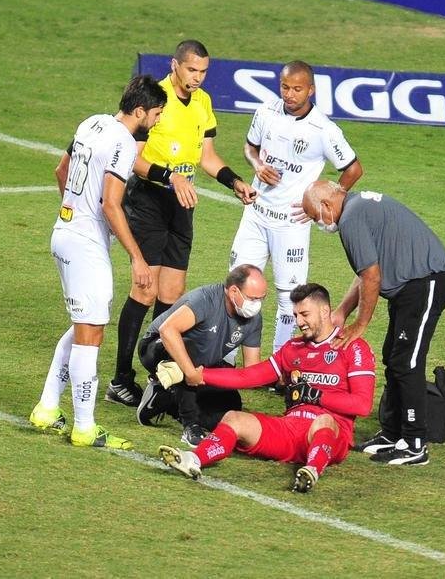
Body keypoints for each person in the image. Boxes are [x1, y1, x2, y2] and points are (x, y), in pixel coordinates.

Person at [106, 40, 257, 409]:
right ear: (175, 65)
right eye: (192, 70)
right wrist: (171, 176)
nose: (197, 78)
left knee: (172, 295)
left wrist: (234, 181)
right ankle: (121, 379)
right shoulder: (154, 101)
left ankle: (159, 373)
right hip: (149, 200)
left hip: (181, 205)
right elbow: (134, 159)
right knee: (144, 289)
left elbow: (206, 157)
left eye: (203, 72)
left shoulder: (203, 104)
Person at [29, 75, 168, 449]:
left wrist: (73, 212)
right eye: (155, 115)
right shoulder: (123, 142)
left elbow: (61, 171)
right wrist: (137, 258)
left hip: (64, 232)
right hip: (85, 245)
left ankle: (46, 407)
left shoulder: (91, 122)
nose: (156, 122)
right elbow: (110, 202)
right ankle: (85, 427)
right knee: (91, 335)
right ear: (139, 111)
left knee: (82, 327)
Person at [158, 283, 376, 493]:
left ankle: (312, 469)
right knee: (234, 418)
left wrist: (318, 396)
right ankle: (194, 459)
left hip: (330, 432)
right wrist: (198, 374)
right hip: (290, 429)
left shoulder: (353, 347)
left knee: (323, 421)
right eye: (296, 315)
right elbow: (248, 376)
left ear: (325, 311)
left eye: (305, 314)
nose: (299, 322)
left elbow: (362, 405)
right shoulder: (293, 348)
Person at [300, 180, 445, 466]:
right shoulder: (356, 205)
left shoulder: (350, 219)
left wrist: (360, 324)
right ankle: (392, 431)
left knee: (407, 362)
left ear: (326, 205)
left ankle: (414, 443)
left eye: (315, 217)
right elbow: (366, 271)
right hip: (413, 283)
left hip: (428, 280)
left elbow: (372, 276)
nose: (318, 223)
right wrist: (343, 311)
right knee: (393, 357)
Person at [229, 60, 363, 355]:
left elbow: (353, 169)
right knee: (237, 288)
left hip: (291, 224)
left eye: (297, 89)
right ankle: (224, 358)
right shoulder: (266, 112)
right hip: (255, 215)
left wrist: (320, 205)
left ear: (311, 90)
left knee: (289, 299)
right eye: (285, 87)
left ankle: (280, 364)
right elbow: (250, 146)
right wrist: (257, 164)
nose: (289, 94)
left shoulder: (324, 130)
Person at [135, 264, 267, 447]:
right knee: (190, 349)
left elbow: (252, 370)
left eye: (262, 298)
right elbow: (168, 331)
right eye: (253, 298)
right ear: (233, 291)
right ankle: (191, 425)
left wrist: (280, 372)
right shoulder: (206, 299)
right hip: (157, 346)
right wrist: (190, 373)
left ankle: (164, 398)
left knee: (231, 404)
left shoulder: (254, 320)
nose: (257, 305)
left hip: (201, 364)